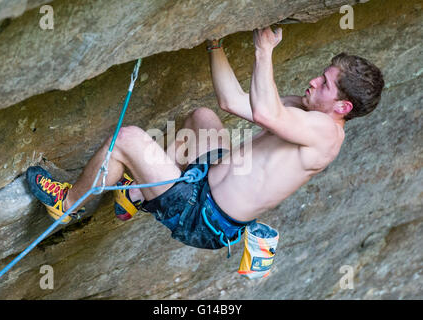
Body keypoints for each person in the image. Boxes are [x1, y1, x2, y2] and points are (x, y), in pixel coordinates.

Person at [26, 26, 384, 251]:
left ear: (342, 106)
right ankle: (135, 194)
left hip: (201, 216)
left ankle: (68, 204)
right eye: (320, 75)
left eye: (324, 84)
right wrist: (214, 42)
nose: (313, 82)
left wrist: (264, 51)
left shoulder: (326, 135)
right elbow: (233, 101)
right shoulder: (305, 112)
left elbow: (265, 113)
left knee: (127, 139)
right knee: (203, 118)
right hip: (205, 182)